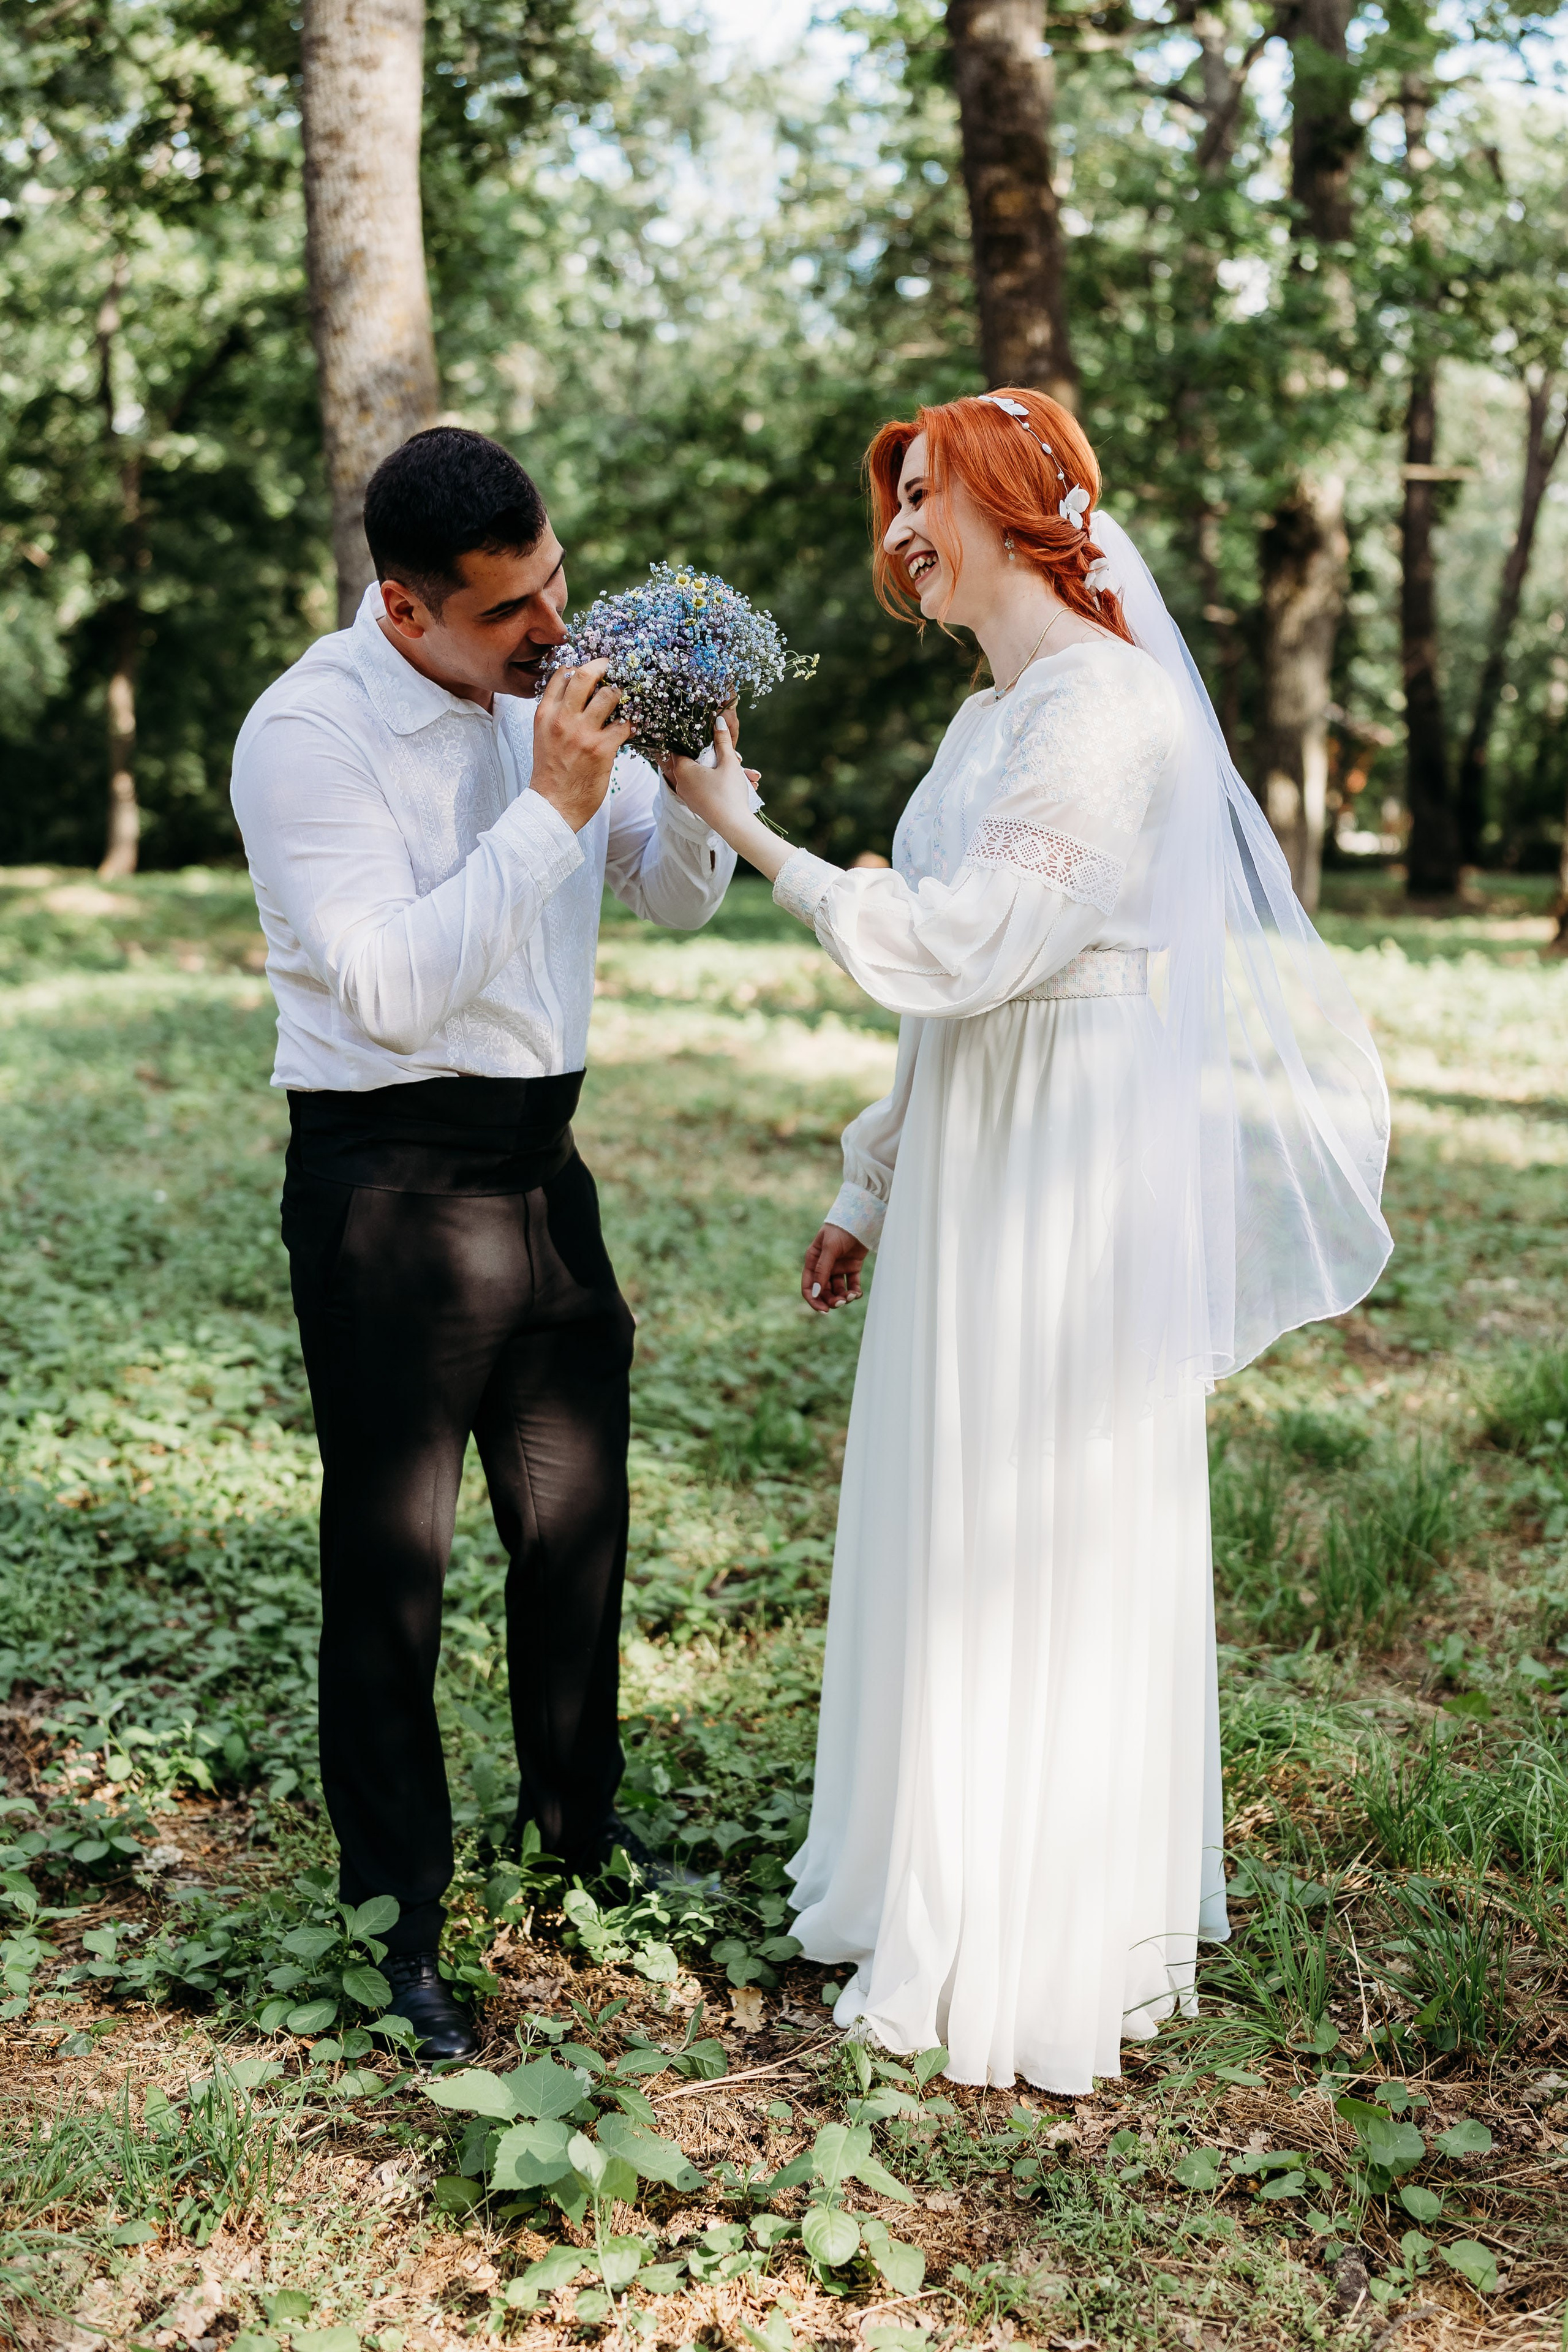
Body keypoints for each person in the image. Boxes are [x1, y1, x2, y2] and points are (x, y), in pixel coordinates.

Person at [665, 390, 1392, 2093]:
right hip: (982, 1133)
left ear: (1012, 505)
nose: (905, 529)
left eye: (932, 496)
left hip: (1069, 1149)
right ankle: (941, 1865)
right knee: (952, 1498)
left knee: (1039, 1502)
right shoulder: (991, 721)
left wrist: (744, 830)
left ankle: (1042, 1920)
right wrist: (872, 1176)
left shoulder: (1111, 710)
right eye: (897, 501)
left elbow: (969, 941)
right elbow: (945, 1002)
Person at [232, 426, 744, 2060]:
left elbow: (671, 897)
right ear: (405, 608)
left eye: (560, 582)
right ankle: (397, 1932)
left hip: (545, 1164)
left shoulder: (560, 696)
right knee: (395, 1571)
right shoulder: (308, 735)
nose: (553, 629)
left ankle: (579, 1838)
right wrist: (554, 805)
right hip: (388, 1185)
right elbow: (385, 984)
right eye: (513, 608)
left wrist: (697, 790)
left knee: (577, 1527)